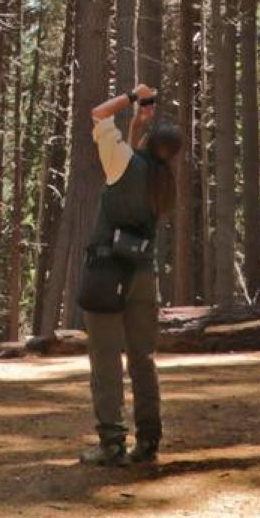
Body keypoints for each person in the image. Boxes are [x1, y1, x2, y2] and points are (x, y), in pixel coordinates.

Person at [80, 81, 182, 467]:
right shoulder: (163, 182)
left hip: (108, 274)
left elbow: (99, 114)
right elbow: (136, 159)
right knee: (143, 358)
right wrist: (140, 122)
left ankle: (111, 444)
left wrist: (131, 95)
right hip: (144, 276)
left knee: (106, 358)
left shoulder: (124, 163)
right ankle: (149, 441)